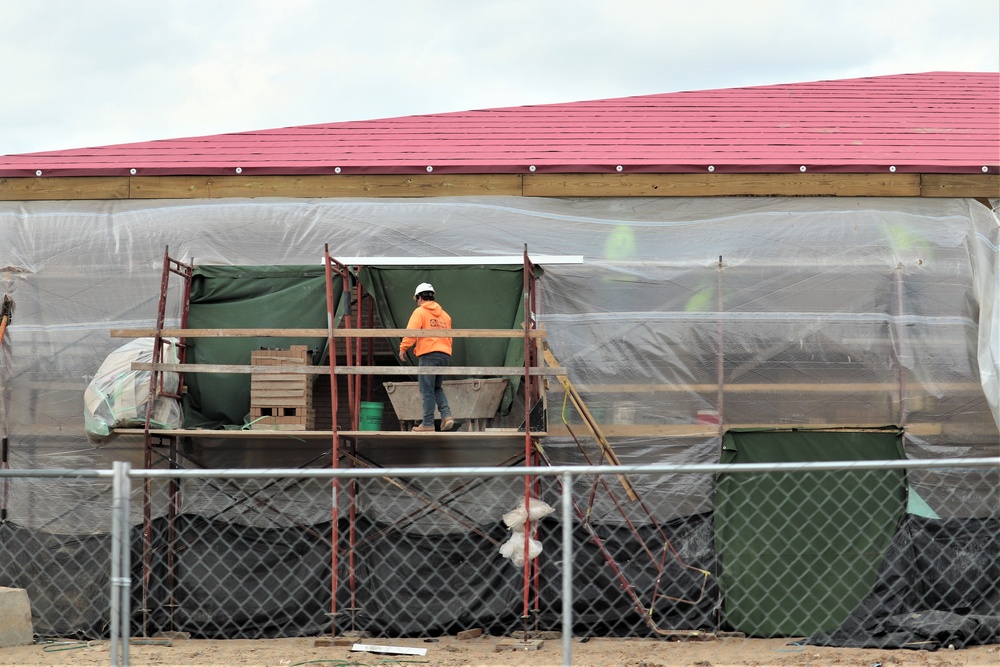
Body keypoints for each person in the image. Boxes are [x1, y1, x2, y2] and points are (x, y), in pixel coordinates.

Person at [399, 282, 455, 432]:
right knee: (436, 388)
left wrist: (403, 348)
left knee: (427, 390)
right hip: (444, 355)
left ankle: (428, 423)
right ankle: (447, 415)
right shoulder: (445, 316)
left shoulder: (420, 312)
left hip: (429, 355)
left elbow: (412, 331)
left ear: (419, 297)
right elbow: (450, 338)